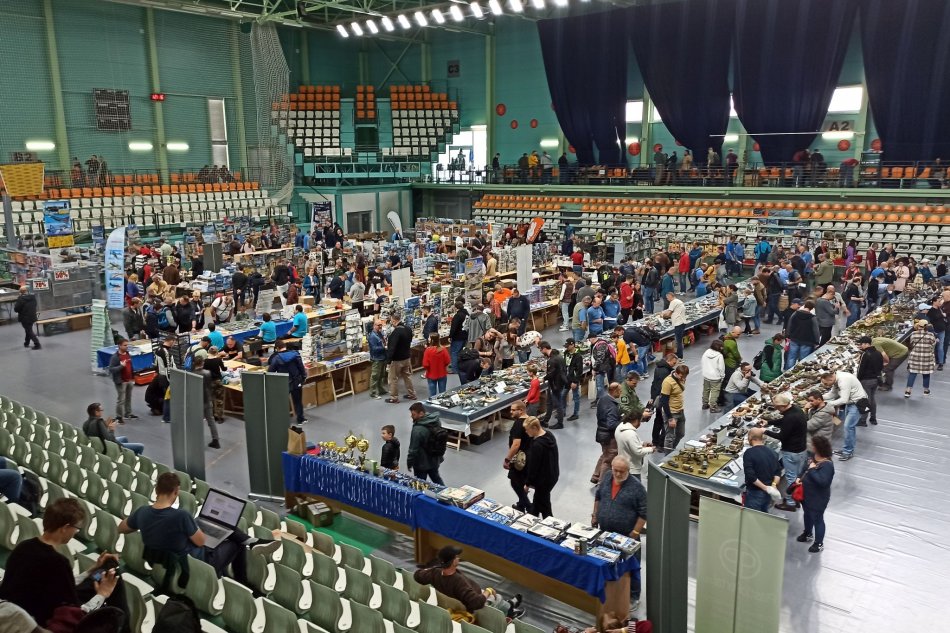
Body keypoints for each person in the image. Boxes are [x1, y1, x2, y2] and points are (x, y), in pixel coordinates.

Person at [118, 473, 278, 590]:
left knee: (215, 527)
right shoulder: (181, 516)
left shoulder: (142, 512)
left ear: (156, 490)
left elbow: (122, 528)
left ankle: (251, 542)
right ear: (176, 492)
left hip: (166, 562)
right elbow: (201, 541)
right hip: (199, 564)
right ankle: (242, 577)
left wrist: (146, 523)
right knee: (235, 542)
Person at [0, 498, 128, 629]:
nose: (76, 532)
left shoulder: (24, 546)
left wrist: (93, 569)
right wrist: (103, 594)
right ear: (65, 528)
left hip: (13, 614)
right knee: (115, 579)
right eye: (77, 528)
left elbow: (60, 584)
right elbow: (76, 616)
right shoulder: (57, 562)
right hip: (39, 624)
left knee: (103, 571)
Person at [591, 455, 647, 605]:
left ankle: (633, 596)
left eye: (621, 471)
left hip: (627, 536)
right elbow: (598, 496)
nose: (617, 474)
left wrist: (635, 533)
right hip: (605, 532)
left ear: (628, 470)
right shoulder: (607, 477)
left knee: (632, 566)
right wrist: (595, 515)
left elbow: (644, 513)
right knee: (606, 561)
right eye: (615, 470)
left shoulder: (637, 488)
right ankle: (609, 589)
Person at [413, 546, 524, 618]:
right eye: (456, 557)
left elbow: (417, 575)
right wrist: (489, 591)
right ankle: (510, 611)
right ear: (453, 562)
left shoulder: (435, 573)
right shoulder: (458, 582)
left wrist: (432, 569)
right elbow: (476, 603)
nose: (458, 558)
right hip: (469, 605)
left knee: (489, 595)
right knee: (496, 597)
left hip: (458, 598)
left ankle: (509, 604)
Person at [764, 394, 808, 511]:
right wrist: (768, 422)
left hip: (791, 451)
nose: (776, 409)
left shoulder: (790, 417)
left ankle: (790, 502)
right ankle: (795, 498)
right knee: (797, 476)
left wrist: (765, 431)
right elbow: (784, 421)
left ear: (782, 406)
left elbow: (782, 436)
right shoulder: (796, 410)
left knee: (791, 478)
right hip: (801, 449)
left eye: (777, 407)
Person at [821, 370, 868, 462]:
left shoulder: (843, 380)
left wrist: (827, 404)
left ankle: (848, 452)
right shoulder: (836, 379)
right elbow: (833, 394)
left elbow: (844, 400)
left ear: (831, 379)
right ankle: (846, 449)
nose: (826, 386)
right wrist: (819, 397)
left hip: (856, 404)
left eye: (826, 383)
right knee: (848, 427)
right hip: (851, 403)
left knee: (848, 427)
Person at [523, 417, 558, 517]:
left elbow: (534, 467)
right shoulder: (550, 435)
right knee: (538, 501)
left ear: (534, 428)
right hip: (553, 475)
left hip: (542, 480)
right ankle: (532, 516)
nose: (526, 432)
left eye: (527, 429)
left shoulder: (537, 445)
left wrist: (527, 484)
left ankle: (548, 522)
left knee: (545, 506)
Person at [742, 427, 782, 513]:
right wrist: (773, 486)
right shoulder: (772, 452)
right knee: (763, 514)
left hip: (755, 493)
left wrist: (765, 488)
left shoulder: (749, 453)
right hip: (768, 493)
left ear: (750, 438)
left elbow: (751, 476)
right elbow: (778, 472)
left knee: (751, 516)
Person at [268, 339, 308, 425]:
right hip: (296, 381)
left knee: (282, 402)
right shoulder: (295, 354)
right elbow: (301, 367)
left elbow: (270, 371)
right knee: (298, 401)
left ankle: (283, 421)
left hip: (283, 382)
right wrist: (303, 377)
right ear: (285, 346)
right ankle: (300, 419)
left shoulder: (276, 358)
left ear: (277, 348)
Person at [614, 397, 654, 479]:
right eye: (640, 421)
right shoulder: (631, 434)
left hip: (623, 462)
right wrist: (651, 449)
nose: (640, 424)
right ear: (636, 420)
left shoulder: (620, 427)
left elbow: (628, 443)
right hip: (632, 469)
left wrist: (642, 443)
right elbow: (638, 451)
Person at [406, 402, 445, 484]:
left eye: (413, 414)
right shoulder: (436, 421)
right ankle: (445, 492)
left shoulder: (417, 430)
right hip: (435, 458)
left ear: (421, 413)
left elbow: (413, 449)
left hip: (421, 463)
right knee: (436, 478)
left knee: (419, 483)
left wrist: (409, 463)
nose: (411, 416)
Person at [591, 382, 622, 484]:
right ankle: (602, 482)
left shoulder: (603, 399)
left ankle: (596, 475)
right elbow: (611, 424)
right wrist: (623, 422)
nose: (621, 393)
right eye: (620, 391)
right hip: (609, 436)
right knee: (609, 460)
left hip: (601, 433)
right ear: (614, 391)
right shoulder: (612, 405)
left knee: (605, 454)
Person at [504, 401, 533, 512]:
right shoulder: (530, 420)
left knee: (515, 482)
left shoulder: (518, 424)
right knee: (521, 482)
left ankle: (529, 507)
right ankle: (521, 505)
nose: (510, 412)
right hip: (530, 457)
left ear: (521, 410)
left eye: (513, 410)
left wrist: (507, 459)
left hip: (520, 459)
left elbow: (516, 444)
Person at [386, 314, 417, 403]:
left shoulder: (395, 332)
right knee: (407, 377)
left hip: (397, 360)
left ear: (394, 321)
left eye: (392, 321)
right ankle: (412, 394)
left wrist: (388, 361)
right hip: (406, 358)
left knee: (393, 379)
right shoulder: (408, 329)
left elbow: (392, 348)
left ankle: (394, 397)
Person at [658, 364, 689, 451]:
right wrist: (670, 418)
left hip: (680, 411)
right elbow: (664, 401)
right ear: (676, 373)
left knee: (681, 433)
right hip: (671, 412)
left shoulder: (681, 378)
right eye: (681, 376)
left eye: (685, 376)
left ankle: (672, 450)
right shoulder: (668, 382)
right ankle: (668, 455)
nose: (683, 378)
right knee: (669, 437)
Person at [855, 336, 884, 426]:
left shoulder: (865, 354)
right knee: (872, 398)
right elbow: (881, 366)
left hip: (866, 380)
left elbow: (861, 369)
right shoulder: (878, 353)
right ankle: (873, 418)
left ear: (867, 344)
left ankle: (863, 420)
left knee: (866, 400)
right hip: (876, 380)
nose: (860, 346)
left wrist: (858, 380)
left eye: (861, 344)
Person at [905, 320, 937, 398]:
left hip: (915, 357)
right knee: (926, 374)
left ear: (918, 325)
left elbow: (911, 343)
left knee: (912, 373)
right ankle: (926, 390)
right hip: (927, 357)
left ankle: (908, 391)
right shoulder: (930, 335)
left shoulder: (913, 334)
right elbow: (933, 344)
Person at [785, 300, 820, 370]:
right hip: (807, 341)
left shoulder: (795, 314)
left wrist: (788, 335)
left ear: (804, 305)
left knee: (791, 357)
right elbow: (816, 330)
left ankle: (788, 371)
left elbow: (789, 324)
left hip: (794, 339)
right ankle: (800, 373)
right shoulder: (812, 318)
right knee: (803, 359)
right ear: (812, 308)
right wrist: (817, 341)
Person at [539, 342, 566, 429]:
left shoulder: (552, 360)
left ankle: (560, 423)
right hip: (558, 382)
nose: (541, 352)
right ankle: (546, 420)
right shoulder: (558, 356)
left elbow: (551, 374)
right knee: (549, 402)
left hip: (555, 384)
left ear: (544, 348)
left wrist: (543, 378)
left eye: (541, 350)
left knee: (558, 403)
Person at [108, 339, 137, 422]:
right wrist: (121, 366)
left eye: (127, 345)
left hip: (129, 380)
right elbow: (111, 369)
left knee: (128, 398)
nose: (127, 346)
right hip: (121, 382)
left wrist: (133, 377)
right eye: (125, 345)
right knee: (121, 400)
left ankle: (128, 413)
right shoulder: (115, 357)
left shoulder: (127, 354)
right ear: (119, 346)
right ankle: (119, 416)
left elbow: (130, 367)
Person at [700, 339, 726, 413]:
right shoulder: (719, 356)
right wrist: (722, 376)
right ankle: (713, 407)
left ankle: (705, 404)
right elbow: (721, 367)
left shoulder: (706, 352)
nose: (722, 348)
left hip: (706, 375)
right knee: (715, 391)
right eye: (722, 346)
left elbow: (702, 362)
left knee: (706, 390)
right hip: (715, 377)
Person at [13, 286, 41, 350]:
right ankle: (26, 343)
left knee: (29, 330)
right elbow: (35, 305)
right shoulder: (33, 297)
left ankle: (37, 344)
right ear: (27, 291)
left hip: (25, 318)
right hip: (32, 316)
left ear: (20, 292)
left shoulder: (20, 299)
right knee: (28, 329)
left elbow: (16, 309)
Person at [564, 338, 584, 421]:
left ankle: (576, 414)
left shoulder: (578, 356)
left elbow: (579, 370)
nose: (566, 347)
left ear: (572, 345)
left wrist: (575, 381)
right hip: (566, 378)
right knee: (562, 395)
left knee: (576, 397)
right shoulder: (566, 353)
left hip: (573, 379)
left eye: (568, 346)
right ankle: (563, 412)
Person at [661, 292, 687, 358]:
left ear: (670, 296)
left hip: (678, 323)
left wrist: (662, 316)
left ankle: (679, 355)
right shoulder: (678, 301)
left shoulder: (673, 302)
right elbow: (669, 310)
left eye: (667, 298)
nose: (667, 299)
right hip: (682, 322)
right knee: (679, 340)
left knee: (678, 341)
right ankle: (679, 353)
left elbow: (668, 313)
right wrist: (662, 312)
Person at [368, 320, 388, 400]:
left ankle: (381, 389)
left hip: (382, 357)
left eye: (381, 325)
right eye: (378, 325)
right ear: (374, 326)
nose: (380, 326)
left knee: (381, 375)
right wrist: (384, 347)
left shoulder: (380, 334)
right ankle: (373, 393)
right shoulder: (372, 336)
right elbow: (374, 348)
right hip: (376, 358)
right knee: (375, 376)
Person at [448, 301, 468, 374]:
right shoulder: (466, 314)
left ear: (456, 307)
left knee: (454, 352)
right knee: (459, 352)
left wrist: (450, 336)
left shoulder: (457, 316)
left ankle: (455, 369)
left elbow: (454, 327)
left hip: (457, 337)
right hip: (464, 335)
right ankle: (458, 366)